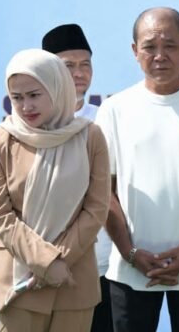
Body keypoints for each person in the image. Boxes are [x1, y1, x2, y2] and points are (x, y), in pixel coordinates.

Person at [95, 7, 179, 332]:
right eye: (149, 47)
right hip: (130, 270)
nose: (160, 56)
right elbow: (103, 189)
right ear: (135, 51)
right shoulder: (114, 110)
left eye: (170, 45)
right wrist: (130, 253)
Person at [0, 49, 110, 331]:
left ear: (56, 87)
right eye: (17, 97)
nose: (26, 106)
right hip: (18, 286)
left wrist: (59, 261)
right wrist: (46, 263)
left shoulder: (90, 136)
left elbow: (96, 208)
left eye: (34, 95)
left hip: (73, 283)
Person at [43, 23, 113, 332]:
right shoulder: (27, 125)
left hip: (100, 264)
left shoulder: (106, 119)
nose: (79, 72)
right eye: (68, 65)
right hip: (42, 263)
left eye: (85, 64)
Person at [42, 24, 98, 119]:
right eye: (68, 65)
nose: (79, 74)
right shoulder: (34, 122)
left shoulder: (104, 118)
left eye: (85, 64)